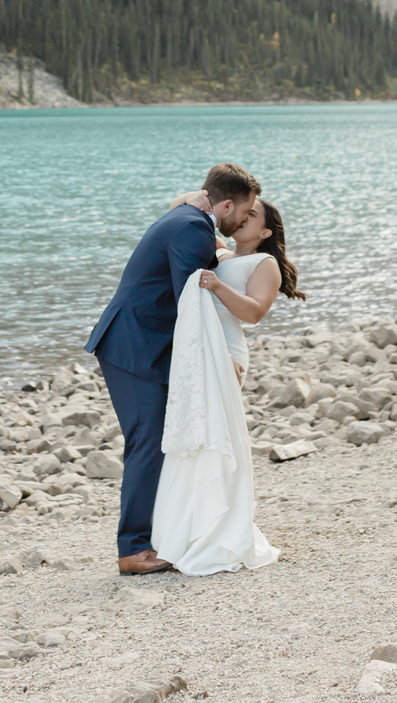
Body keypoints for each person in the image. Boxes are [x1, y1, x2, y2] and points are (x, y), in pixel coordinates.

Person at [86, 161, 261, 575]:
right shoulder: (192, 227)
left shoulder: (187, 218)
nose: (243, 219)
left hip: (146, 345)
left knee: (162, 439)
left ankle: (160, 534)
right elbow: (191, 301)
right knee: (146, 441)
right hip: (133, 346)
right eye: (245, 210)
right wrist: (220, 362)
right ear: (228, 203)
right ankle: (131, 549)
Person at [150, 194, 305, 575]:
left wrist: (218, 288)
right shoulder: (221, 254)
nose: (244, 217)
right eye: (244, 210)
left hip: (228, 354)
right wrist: (187, 197)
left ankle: (221, 528)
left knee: (219, 436)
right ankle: (193, 527)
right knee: (198, 431)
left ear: (265, 230)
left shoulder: (265, 263)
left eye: (253, 215)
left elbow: (254, 312)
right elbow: (182, 211)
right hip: (200, 352)